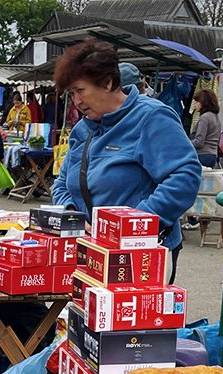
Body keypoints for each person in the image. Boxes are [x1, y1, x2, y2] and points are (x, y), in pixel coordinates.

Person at [51, 41, 200, 285]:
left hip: (142, 254)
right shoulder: (82, 130)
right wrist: (71, 214)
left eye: (80, 90)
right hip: (92, 250)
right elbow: (61, 184)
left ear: (108, 83)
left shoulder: (151, 117)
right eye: (71, 94)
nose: (76, 101)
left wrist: (134, 224)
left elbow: (185, 176)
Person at [191, 89, 221, 168]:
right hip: (213, 156)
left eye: (197, 102)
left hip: (202, 155)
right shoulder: (215, 117)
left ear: (203, 103)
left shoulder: (204, 118)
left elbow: (199, 142)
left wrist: (185, 143)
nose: (195, 105)